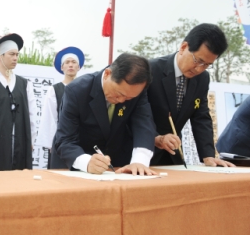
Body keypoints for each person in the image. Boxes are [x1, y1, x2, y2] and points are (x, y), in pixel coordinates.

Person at [54, 53, 157, 175]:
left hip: (115, 167)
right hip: (76, 165)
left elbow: (144, 125)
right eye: (119, 94)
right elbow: (65, 139)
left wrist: (140, 161)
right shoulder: (77, 90)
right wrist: (86, 162)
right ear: (107, 74)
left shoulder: (136, 92)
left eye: (129, 98)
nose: (122, 101)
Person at [147, 23, 235, 167]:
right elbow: (137, 115)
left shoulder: (202, 78)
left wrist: (208, 155)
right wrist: (156, 138)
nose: (199, 69)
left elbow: (201, 116)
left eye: (207, 65)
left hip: (172, 157)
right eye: (198, 61)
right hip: (141, 154)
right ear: (183, 47)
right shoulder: (150, 70)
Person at [0, 33, 37, 171]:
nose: (15, 58)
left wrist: (31, 139)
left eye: (17, 55)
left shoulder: (24, 84)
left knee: (19, 179)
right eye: (11, 54)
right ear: (0, 56)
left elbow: (32, 114)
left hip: (20, 139)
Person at [36, 47, 85, 169]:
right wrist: (53, 144)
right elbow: (49, 117)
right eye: (67, 62)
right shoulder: (55, 89)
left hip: (82, 140)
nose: (70, 65)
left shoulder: (85, 89)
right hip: (61, 141)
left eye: (74, 62)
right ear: (62, 67)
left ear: (79, 67)